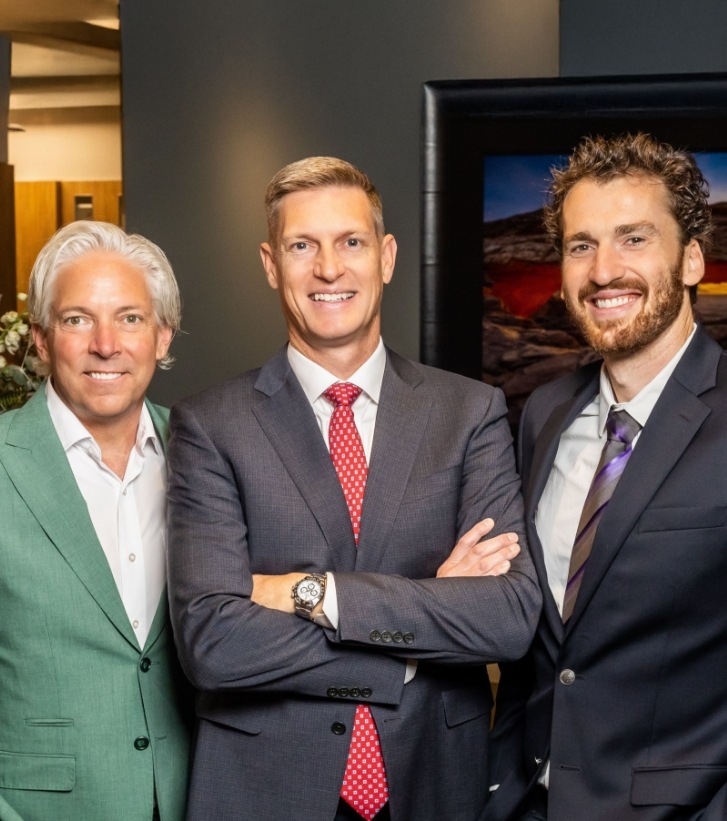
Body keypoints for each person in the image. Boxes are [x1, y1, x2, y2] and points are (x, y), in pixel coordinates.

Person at [166, 156, 541, 821]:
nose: (328, 268)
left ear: (386, 256)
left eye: (350, 242)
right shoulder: (209, 424)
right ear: (269, 264)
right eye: (301, 245)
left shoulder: (469, 412)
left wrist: (314, 593)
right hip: (266, 789)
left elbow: (506, 616)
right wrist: (411, 642)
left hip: (432, 784)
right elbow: (213, 641)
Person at [485, 132, 727, 820]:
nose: (602, 271)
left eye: (632, 239)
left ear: (689, 261)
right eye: (581, 244)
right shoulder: (544, 414)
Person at [0, 221, 191, 821]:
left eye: (130, 318)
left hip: (198, 799)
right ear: (41, 337)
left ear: (163, 336)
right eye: (78, 319)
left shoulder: (209, 454)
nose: (106, 344)